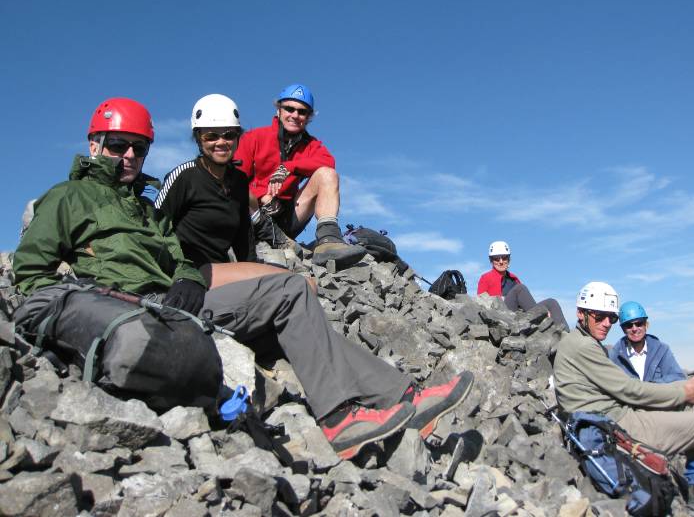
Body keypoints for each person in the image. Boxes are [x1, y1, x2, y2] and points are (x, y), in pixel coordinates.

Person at [13, 97, 475, 460]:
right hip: (135, 307)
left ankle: (404, 396)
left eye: (139, 147)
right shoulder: (69, 197)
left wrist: (187, 278)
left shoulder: (142, 207)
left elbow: (176, 254)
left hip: (177, 298)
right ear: (94, 144)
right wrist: (96, 300)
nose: (130, 155)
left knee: (297, 316)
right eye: (118, 145)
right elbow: (31, 273)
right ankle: (338, 418)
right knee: (290, 289)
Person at [552, 282, 694, 502]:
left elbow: (628, 387)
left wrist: (682, 389)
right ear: (581, 313)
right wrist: (684, 392)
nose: (606, 323)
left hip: (607, 418)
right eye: (599, 316)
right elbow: (629, 389)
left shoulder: (581, 342)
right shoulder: (585, 346)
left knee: (687, 409)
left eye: (611, 318)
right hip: (615, 424)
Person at [154, 93, 307, 291]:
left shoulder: (239, 182)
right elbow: (154, 227)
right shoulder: (184, 176)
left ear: (237, 137)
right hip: (188, 272)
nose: (221, 142)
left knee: (299, 285)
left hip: (221, 272)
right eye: (211, 136)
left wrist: (250, 270)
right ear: (198, 138)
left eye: (229, 135)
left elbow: (244, 240)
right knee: (294, 284)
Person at [234, 84, 365, 270]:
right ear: (279, 110)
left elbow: (329, 162)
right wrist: (261, 196)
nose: (295, 115)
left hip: (287, 218)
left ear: (308, 117)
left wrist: (289, 167)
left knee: (327, 174)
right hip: (254, 216)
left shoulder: (311, 145)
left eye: (302, 112)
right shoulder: (253, 137)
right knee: (238, 188)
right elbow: (235, 179)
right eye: (289, 108)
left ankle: (328, 241)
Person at [611, 301, 694, 491]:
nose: (634, 328)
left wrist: (649, 388)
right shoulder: (616, 355)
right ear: (623, 328)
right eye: (629, 325)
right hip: (634, 413)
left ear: (646, 324)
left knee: (692, 407)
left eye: (638, 323)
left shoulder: (661, 350)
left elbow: (677, 378)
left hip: (661, 405)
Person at [477, 241, 568, 330]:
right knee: (520, 289)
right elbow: (480, 303)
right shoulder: (485, 278)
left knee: (551, 302)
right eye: (496, 258)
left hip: (519, 314)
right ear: (491, 260)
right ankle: (539, 317)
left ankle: (565, 334)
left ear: (509, 259)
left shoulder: (514, 278)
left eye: (504, 258)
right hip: (501, 314)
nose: (501, 261)